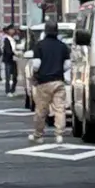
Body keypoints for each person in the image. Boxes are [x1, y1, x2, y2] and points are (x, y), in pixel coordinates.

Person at [31, 18, 70, 146]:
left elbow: (36, 65)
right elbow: (67, 65)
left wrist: (34, 75)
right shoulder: (63, 46)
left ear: (46, 31)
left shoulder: (40, 45)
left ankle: (39, 135)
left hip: (44, 81)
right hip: (58, 81)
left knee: (41, 110)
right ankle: (59, 134)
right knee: (60, 109)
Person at [2, 30, 18, 95]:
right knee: (8, 76)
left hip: (13, 59)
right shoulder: (6, 39)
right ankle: (8, 90)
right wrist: (14, 53)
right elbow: (8, 51)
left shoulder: (13, 39)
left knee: (15, 75)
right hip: (8, 60)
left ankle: (13, 90)